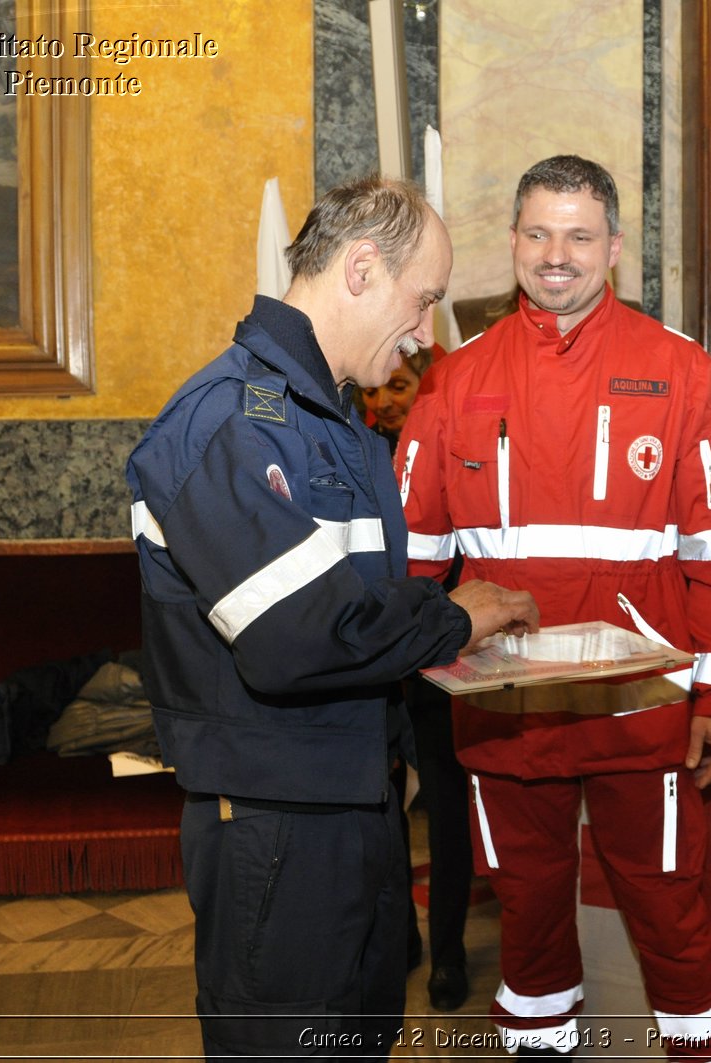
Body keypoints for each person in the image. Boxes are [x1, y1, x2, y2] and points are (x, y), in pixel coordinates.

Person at [125, 175, 539, 1061]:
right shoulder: (230, 421)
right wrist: (455, 621)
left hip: (353, 804)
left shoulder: (331, 422)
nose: (428, 334)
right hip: (278, 823)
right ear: (360, 270)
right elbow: (295, 639)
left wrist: (442, 621)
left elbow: (359, 599)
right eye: (423, 299)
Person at [397, 155, 711, 1059]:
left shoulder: (684, 373)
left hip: (643, 713)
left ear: (614, 248)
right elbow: (413, 566)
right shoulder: (451, 381)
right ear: (512, 240)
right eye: (537, 233)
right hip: (505, 713)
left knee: (674, 918)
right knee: (526, 929)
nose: (556, 254)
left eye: (579, 235)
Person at [363, 341, 477, 1012]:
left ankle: (451, 951)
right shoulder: (361, 450)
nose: (384, 401)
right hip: (377, 658)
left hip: (440, 654)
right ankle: (402, 933)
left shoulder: (457, 448)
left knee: (446, 803)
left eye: (400, 387)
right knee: (383, 805)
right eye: (378, 391)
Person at [363, 344, 436, 450]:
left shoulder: (451, 440)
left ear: (425, 382)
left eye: (398, 387)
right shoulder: (365, 451)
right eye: (370, 392)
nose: (382, 403)